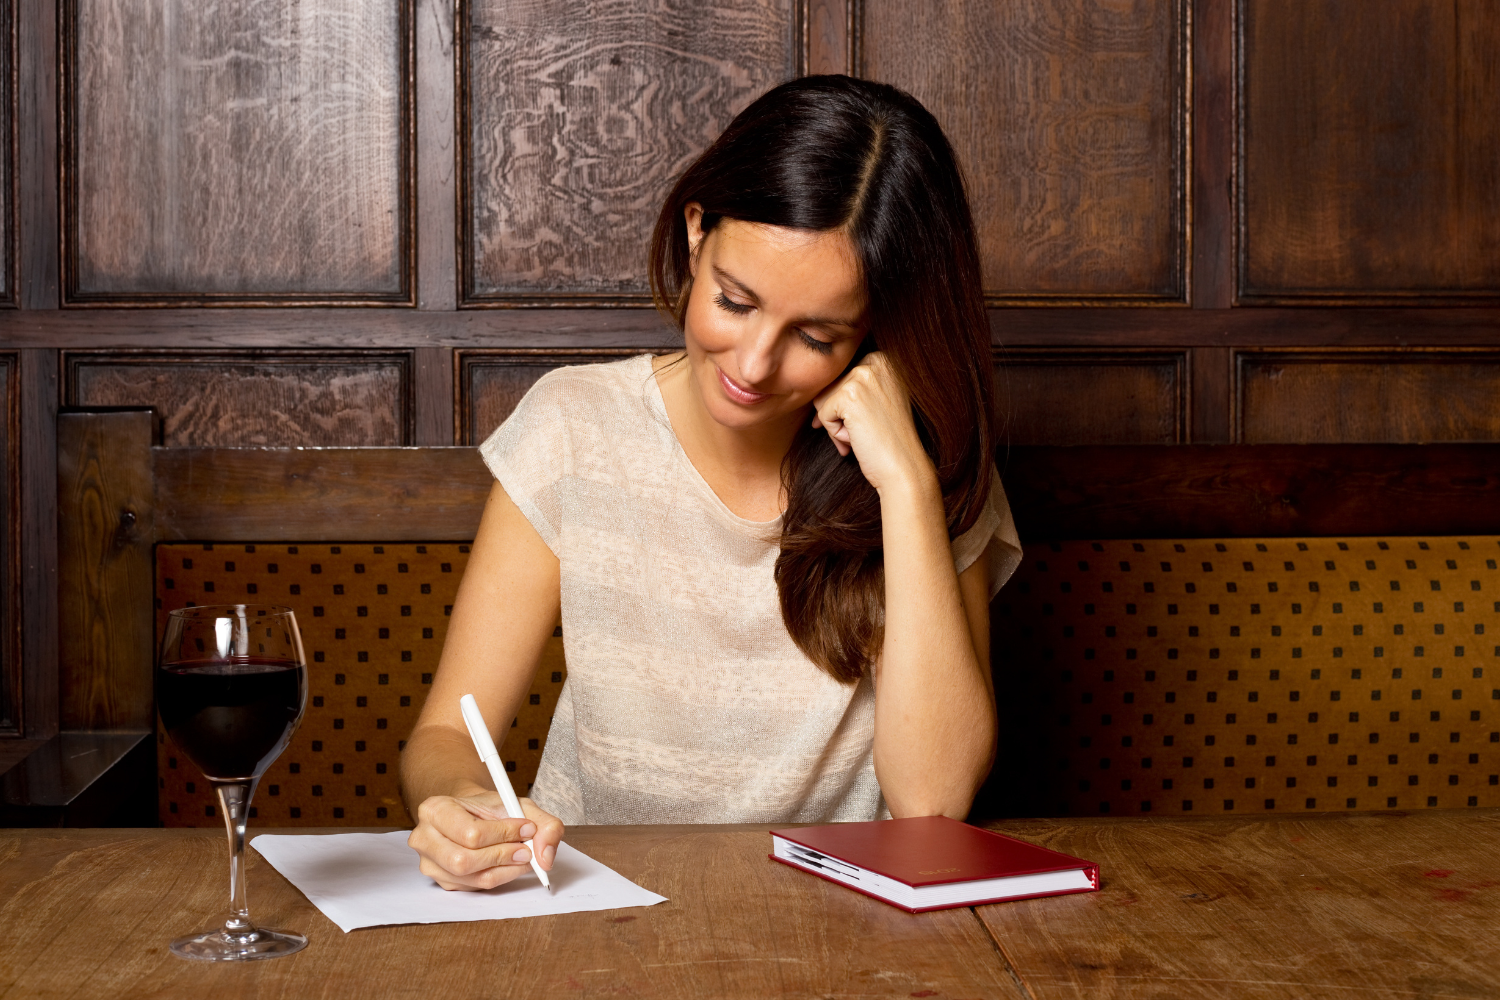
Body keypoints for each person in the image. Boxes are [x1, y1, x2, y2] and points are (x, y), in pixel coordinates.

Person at [400, 75, 1021, 891]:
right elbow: (444, 732)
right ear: (697, 234)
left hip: (834, 929)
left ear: (876, 327)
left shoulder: (919, 464)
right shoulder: (571, 426)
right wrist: (462, 804)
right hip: (592, 911)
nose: (755, 367)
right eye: (734, 301)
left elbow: (933, 802)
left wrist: (904, 482)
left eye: (814, 335)